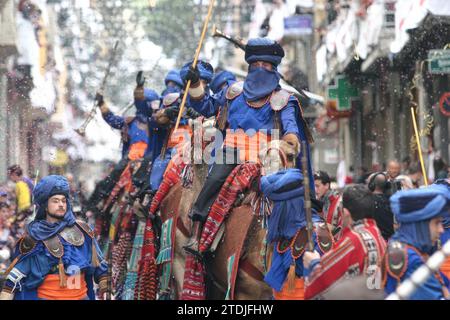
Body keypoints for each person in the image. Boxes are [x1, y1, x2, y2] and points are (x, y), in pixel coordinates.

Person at [181, 38, 315, 256]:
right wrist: (195, 84)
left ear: (274, 69)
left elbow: (291, 130)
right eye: (256, 66)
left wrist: (289, 141)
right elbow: (206, 106)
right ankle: (197, 232)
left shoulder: (284, 99)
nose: (260, 70)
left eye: (266, 66)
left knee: (290, 192)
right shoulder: (233, 92)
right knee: (213, 182)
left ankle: (300, 236)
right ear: (249, 67)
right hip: (231, 152)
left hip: (266, 157)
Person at [0, 175, 108, 300]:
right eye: (55, 201)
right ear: (45, 205)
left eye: (63, 200)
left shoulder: (83, 231)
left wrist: (105, 287)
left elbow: (100, 266)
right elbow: (17, 275)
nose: (61, 204)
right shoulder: (34, 236)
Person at [261, 141, 333, 300]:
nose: (273, 212)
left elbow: (324, 287)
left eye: (277, 205)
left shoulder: (317, 234)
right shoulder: (283, 237)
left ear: (286, 205)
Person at [302, 184, 386, 300]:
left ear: (345, 212)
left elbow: (319, 281)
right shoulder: (376, 231)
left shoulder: (352, 241)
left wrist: (313, 263)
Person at [384, 185, 450, 299]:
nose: (441, 229)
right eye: (436, 223)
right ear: (420, 225)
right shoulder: (410, 258)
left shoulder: (411, 249)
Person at [367, 172, 394, 240]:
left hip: (375, 239)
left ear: (372, 185)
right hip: (390, 240)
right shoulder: (392, 201)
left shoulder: (367, 202)